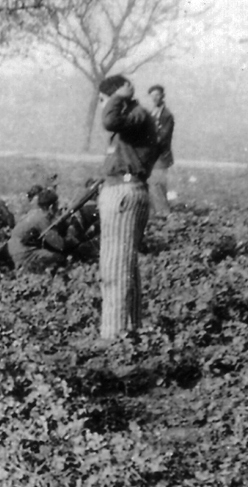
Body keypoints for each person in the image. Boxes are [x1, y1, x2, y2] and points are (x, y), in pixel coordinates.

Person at [96, 74, 158, 340]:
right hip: (125, 189)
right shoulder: (134, 119)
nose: (103, 107)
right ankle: (130, 326)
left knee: (114, 265)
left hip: (123, 192)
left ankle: (114, 332)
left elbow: (109, 120)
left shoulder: (135, 114)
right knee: (125, 264)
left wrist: (117, 96)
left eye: (103, 100)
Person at [7, 188, 68, 273]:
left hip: (15, 249)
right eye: (56, 206)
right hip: (24, 253)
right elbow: (60, 245)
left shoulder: (35, 212)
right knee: (59, 258)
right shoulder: (42, 219)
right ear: (51, 207)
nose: (58, 209)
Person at [148, 84, 175, 217]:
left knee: (157, 183)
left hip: (161, 155)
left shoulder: (166, 115)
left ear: (162, 96)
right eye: (152, 96)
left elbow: (162, 137)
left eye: (157, 95)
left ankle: (163, 212)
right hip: (151, 154)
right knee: (154, 183)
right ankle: (156, 211)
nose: (155, 98)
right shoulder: (151, 113)